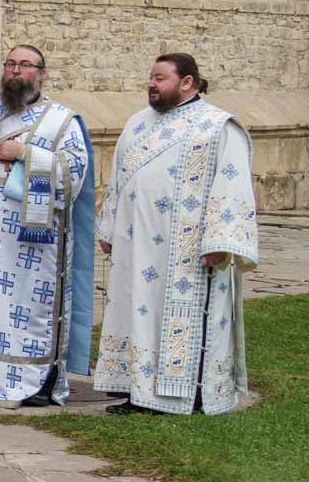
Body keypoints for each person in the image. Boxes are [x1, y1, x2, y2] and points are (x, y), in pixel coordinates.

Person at [95, 53, 258, 415]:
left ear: (187, 83)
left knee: (176, 319)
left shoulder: (217, 126)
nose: (151, 84)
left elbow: (232, 185)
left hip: (187, 251)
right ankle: (138, 390)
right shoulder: (137, 123)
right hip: (136, 246)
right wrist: (108, 225)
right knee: (135, 314)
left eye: (160, 78)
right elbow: (119, 179)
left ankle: (184, 394)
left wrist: (220, 241)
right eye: (150, 77)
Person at [0, 44, 96, 408]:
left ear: (41, 73)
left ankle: (39, 383)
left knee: (32, 311)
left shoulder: (61, 120)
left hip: (37, 241)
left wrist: (25, 154)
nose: (16, 71)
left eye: (25, 65)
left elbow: (74, 172)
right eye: (10, 63)